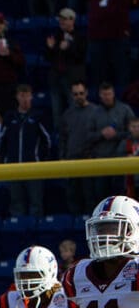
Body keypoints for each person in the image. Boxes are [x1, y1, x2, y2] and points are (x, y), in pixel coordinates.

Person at [0, 84, 51, 216]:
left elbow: (47, 141)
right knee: (16, 203)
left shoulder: (38, 116)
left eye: (27, 95)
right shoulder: (10, 117)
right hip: (14, 167)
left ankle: (37, 231)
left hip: (33, 168)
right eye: (22, 95)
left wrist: (40, 160)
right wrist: (6, 160)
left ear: (31, 96)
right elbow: (1, 141)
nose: (25, 99)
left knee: (36, 203)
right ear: (17, 97)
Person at [61, 82, 101, 215]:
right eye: (75, 94)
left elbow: (99, 136)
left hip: (89, 160)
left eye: (81, 93)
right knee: (73, 196)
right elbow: (63, 138)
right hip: (72, 160)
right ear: (72, 96)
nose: (79, 96)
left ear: (87, 93)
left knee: (90, 196)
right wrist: (63, 157)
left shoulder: (96, 111)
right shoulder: (68, 114)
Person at [44, 8, 87, 128]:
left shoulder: (80, 37)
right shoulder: (55, 36)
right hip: (56, 78)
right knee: (56, 110)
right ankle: (59, 136)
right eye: (60, 19)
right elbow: (48, 58)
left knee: (74, 108)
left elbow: (81, 57)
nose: (61, 22)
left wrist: (69, 47)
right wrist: (50, 48)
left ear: (72, 20)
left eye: (64, 19)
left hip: (72, 80)